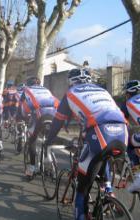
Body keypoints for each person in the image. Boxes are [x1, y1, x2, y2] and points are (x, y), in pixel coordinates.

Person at [44, 68, 128, 220]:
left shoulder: (70, 94)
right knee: (104, 155)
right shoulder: (102, 91)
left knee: (83, 187)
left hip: (99, 133)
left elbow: (57, 122)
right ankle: (108, 190)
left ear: (71, 81)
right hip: (122, 132)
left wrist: (48, 142)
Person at [16, 76, 59, 177]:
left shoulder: (26, 90)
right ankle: (50, 161)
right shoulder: (46, 90)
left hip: (39, 117)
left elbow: (22, 107)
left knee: (32, 140)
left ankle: (31, 169)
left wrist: (22, 117)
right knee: (48, 139)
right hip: (54, 115)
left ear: (28, 84)